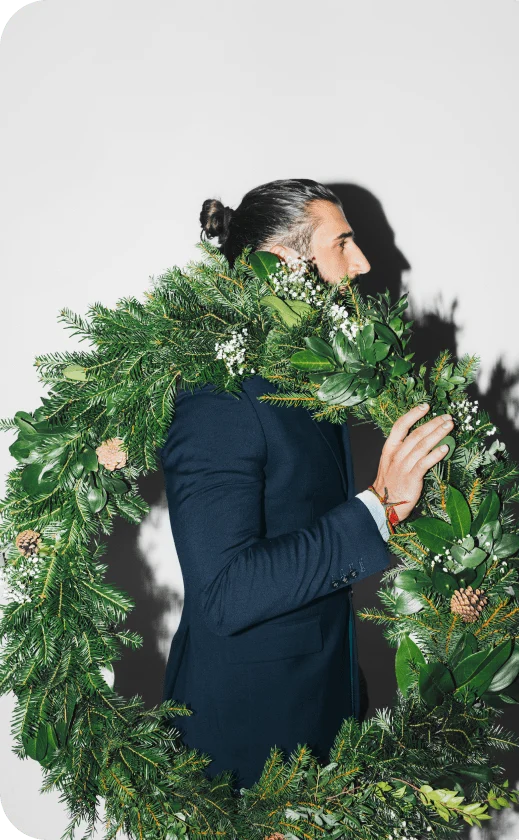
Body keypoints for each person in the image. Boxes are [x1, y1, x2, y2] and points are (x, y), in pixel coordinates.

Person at [159, 178, 454, 791]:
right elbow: (226, 594)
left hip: (323, 716)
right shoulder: (221, 394)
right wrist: (380, 507)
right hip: (244, 746)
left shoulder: (303, 377)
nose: (365, 262)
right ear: (282, 262)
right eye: (342, 243)